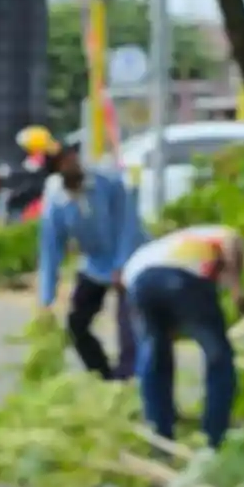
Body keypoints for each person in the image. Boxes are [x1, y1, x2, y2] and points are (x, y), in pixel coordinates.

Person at [123, 224, 244, 449]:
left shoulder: (173, 243)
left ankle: (160, 436)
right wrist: (238, 287)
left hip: (138, 278)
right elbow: (232, 241)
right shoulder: (220, 233)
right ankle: (215, 437)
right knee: (219, 355)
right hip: (180, 278)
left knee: (155, 354)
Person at [38, 141, 147, 381]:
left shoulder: (106, 180)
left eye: (71, 157)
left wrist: (122, 264)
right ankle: (102, 376)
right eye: (64, 163)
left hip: (131, 256)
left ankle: (128, 379)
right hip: (96, 262)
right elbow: (51, 247)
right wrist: (46, 297)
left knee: (130, 327)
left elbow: (127, 223)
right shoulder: (57, 200)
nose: (72, 164)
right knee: (77, 323)